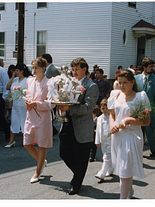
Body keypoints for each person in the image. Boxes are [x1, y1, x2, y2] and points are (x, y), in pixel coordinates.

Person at [58, 58, 99, 195]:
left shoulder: (91, 86)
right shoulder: (68, 83)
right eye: (73, 69)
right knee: (64, 152)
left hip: (82, 126)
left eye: (77, 69)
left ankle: (76, 183)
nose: (74, 72)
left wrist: (69, 109)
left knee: (81, 156)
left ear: (84, 69)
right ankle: (78, 174)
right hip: (67, 123)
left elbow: (88, 108)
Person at [108, 69, 151, 199]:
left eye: (125, 82)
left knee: (124, 168)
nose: (122, 86)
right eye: (119, 82)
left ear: (132, 82)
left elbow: (146, 121)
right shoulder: (115, 95)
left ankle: (123, 199)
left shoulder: (140, 96)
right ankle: (129, 190)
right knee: (122, 167)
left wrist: (129, 120)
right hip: (118, 137)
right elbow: (112, 114)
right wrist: (112, 126)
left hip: (132, 137)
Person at [23, 57, 54, 183]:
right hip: (30, 115)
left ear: (43, 68)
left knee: (42, 145)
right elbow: (27, 96)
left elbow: (52, 103)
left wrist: (36, 104)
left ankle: (38, 171)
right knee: (27, 143)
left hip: (42, 117)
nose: (33, 70)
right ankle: (41, 161)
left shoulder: (49, 83)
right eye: (32, 67)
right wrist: (27, 102)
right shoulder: (29, 81)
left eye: (36, 67)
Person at [135, 57, 155, 157]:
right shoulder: (136, 78)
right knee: (138, 130)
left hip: (150, 109)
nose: (152, 68)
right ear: (144, 67)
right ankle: (139, 150)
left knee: (150, 130)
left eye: (153, 66)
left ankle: (153, 149)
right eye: (150, 66)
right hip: (137, 108)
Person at [5, 63, 32, 148]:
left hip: (24, 104)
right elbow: (7, 87)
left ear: (21, 71)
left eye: (17, 70)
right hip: (16, 104)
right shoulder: (15, 80)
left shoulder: (28, 79)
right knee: (14, 121)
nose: (15, 72)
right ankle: (11, 141)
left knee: (25, 122)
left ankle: (27, 141)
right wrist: (12, 78)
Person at [95, 98, 114, 180]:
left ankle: (101, 173)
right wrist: (97, 140)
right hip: (103, 140)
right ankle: (110, 169)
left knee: (106, 157)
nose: (105, 110)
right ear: (100, 109)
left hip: (111, 140)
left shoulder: (112, 117)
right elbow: (97, 130)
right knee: (106, 155)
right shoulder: (99, 118)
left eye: (106, 108)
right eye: (103, 108)